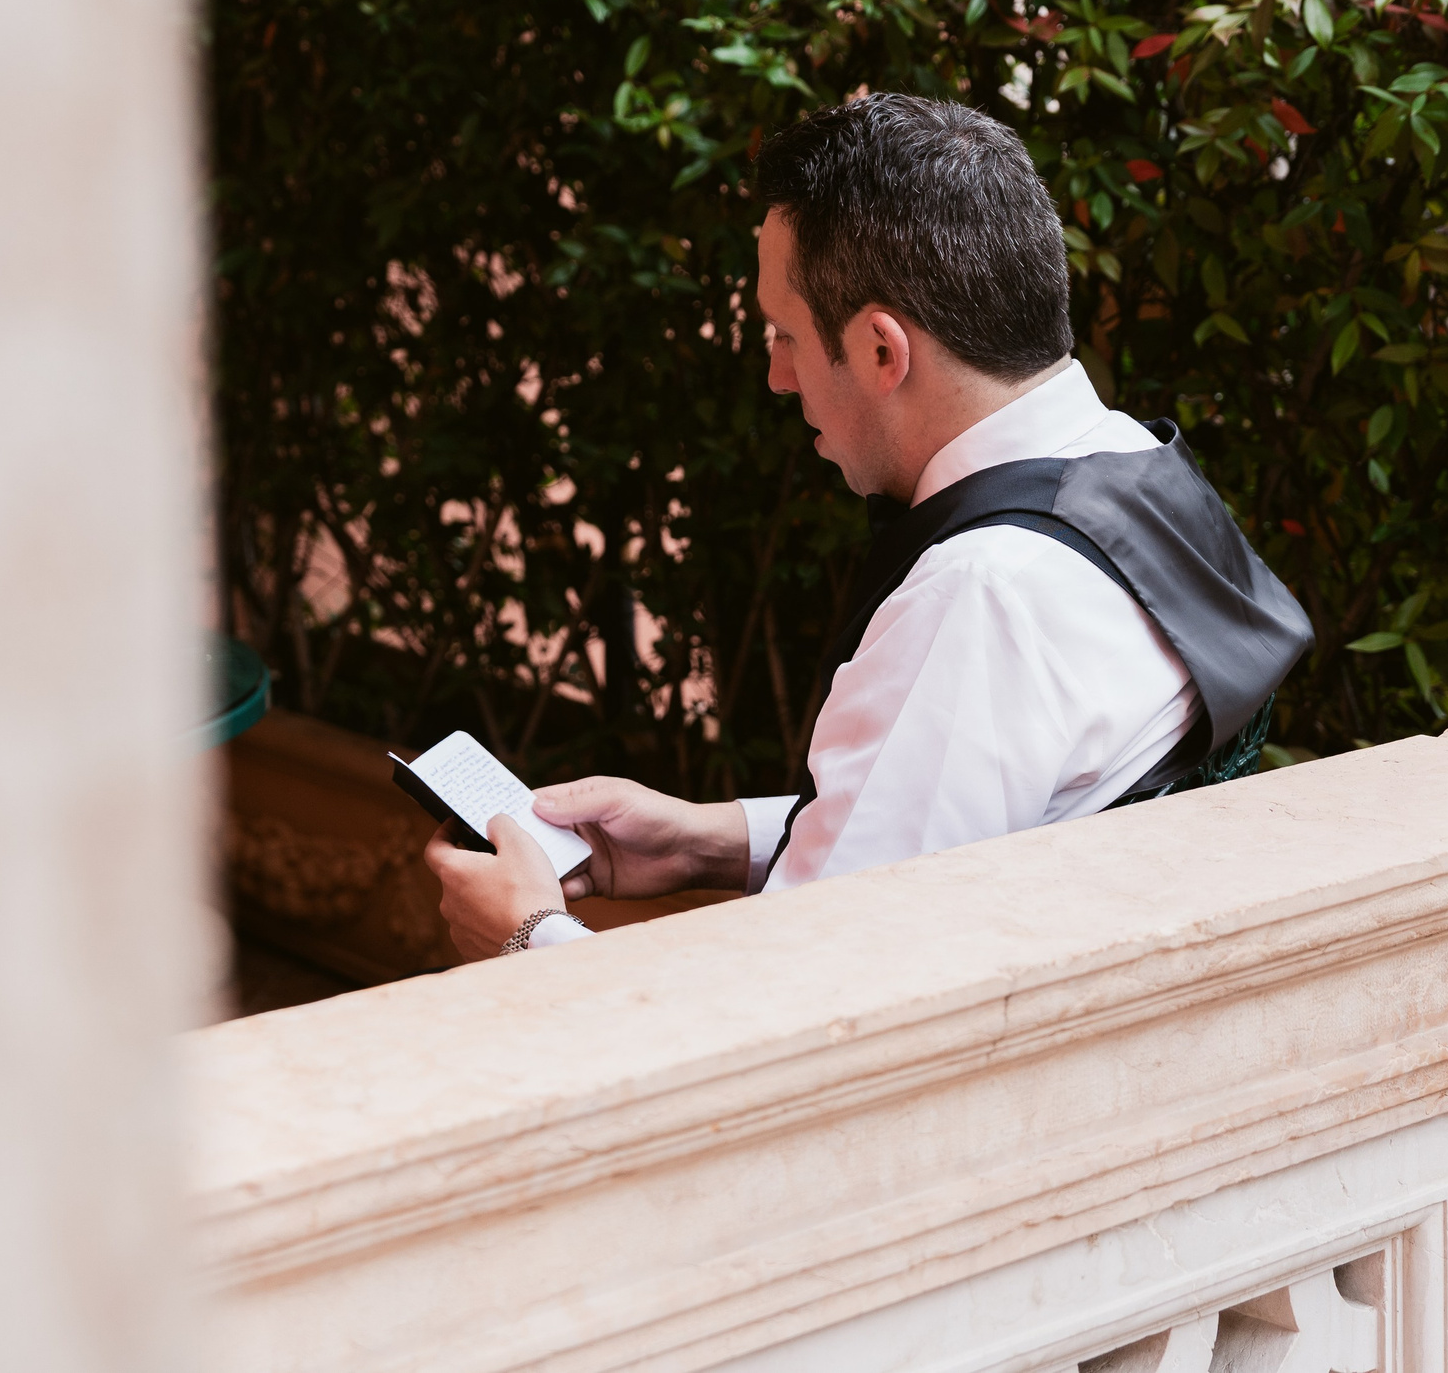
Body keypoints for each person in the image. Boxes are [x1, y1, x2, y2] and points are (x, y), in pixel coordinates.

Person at [425, 94, 1309, 959]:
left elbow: (803, 1007)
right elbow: (990, 814)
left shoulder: (978, 597)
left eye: (785, 335)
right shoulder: (1132, 466)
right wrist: (710, 840)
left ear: (884, 351)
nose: (776, 377)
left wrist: (527, 936)